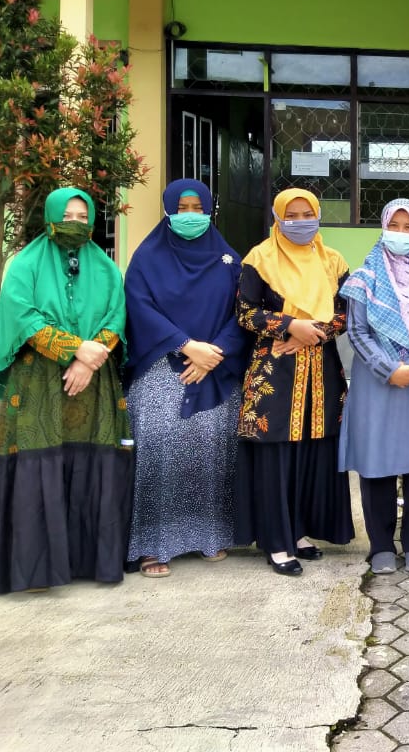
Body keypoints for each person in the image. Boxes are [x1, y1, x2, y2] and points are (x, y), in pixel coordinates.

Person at [0, 188, 133, 594]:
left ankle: (88, 561)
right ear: (50, 217)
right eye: (67, 216)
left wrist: (87, 361)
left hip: (92, 382)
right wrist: (75, 349)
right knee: (39, 460)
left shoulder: (106, 267)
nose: (74, 223)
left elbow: (116, 315)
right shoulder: (25, 264)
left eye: (83, 217)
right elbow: (23, 315)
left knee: (89, 462)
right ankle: (34, 569)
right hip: (38, 382)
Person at [123, 180, 248, 578]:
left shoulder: (228, 260)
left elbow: (243, 312)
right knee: (160, 449)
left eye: (197, 208)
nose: (190, 215)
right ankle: (153, 545)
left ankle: (210, 536)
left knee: (212, 450)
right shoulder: (147, 258)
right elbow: (139, 306)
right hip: (162, 363)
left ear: (209, 210)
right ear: (168, 210)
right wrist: (186, 345)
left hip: (215, 366)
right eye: (182, 207)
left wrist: (215, 353)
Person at [234, 188, 354, 576]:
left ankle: (299, 531)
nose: (300, 222)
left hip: (320, 370)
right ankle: (276, 540)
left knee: (311, 451)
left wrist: (312, 333)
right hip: (274, 371)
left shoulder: (333, 261)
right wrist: (290, 325)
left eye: (307, 214)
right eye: (292, 215)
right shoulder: (259, 258)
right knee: (276, 455)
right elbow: (245, 312)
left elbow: (346, 312)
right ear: (278, 218)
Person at [339, 199, 409, 575]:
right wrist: (388, 369)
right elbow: (357, 331)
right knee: (377, 463)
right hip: (378, 383)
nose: (401, 234)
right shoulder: (365, 277)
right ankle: (382, 546)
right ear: (383, 227)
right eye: (394, 226)